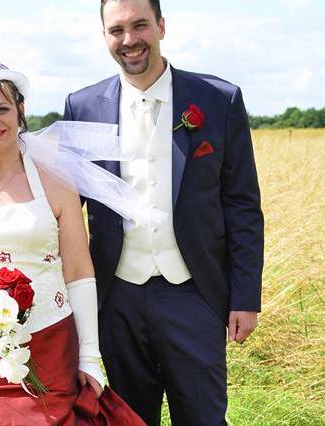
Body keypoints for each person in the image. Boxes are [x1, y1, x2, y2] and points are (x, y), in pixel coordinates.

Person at [0, 60, 144, 425]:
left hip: (51, 344)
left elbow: (79, 270)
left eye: (3, 109)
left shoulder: (57, 183)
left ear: (20, 110)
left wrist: (90, 357)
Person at [63, 0, 265, 424]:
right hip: (115, 298)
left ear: (161, 26)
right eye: (116, 30)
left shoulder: (218, 99)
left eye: (140, 26)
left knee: (204, 418)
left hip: (195, 293)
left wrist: (245, 298)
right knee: (128, 420)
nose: (129, 40)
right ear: (104, 37)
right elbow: (66, 206)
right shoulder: (81, 107)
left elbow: (242, 204)